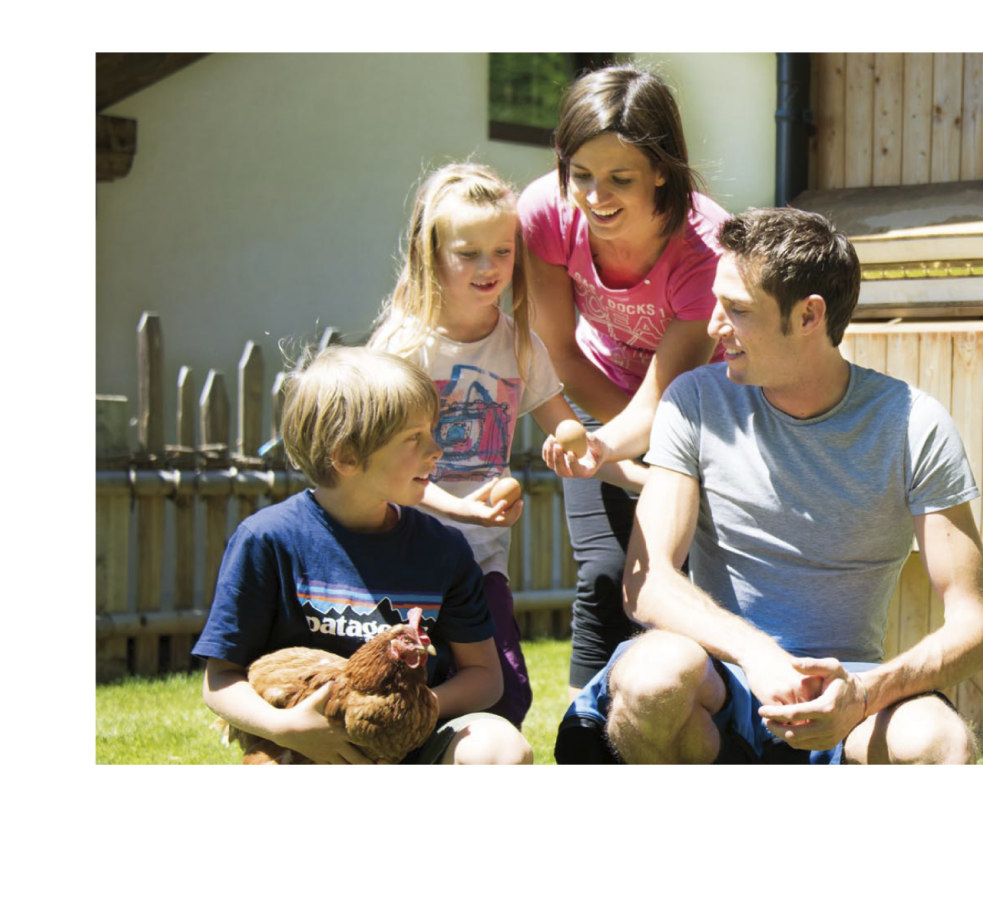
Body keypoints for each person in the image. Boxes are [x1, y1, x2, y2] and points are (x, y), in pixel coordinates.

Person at [560, 208, 983, 765]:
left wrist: (865, 693)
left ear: (810, 315)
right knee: (653, 676)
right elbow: (647, 585)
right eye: (717, 302)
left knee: (939, 741)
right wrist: (757, 654)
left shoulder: (913, 424)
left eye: (738, 310)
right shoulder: (694, 401)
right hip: (722, 681)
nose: (715, 326)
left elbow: (978, 626)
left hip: (846, 693)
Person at [369, 162, 637, 726]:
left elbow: (574, 435)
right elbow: (384, 474)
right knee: (398, 697)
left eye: (502, 251)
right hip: (402, 556)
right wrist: (458, 508)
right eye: (468, 253)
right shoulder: (404, 349)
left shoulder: (519, 346)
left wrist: (638, 476)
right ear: (430, 255)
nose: (489, 267)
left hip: (481, 562)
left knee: (504, 696)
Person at [195, 347, 532, 764]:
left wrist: (403, 714)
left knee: (499, 749)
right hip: (309, 745)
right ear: (347, 456)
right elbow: (220, 679)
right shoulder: (268, 540)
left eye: (432, 430)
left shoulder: (442, 548)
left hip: (415, 741)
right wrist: (286, 728)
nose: (436, 449)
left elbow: (485, 679)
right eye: (414, 438)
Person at [518, 65, 729, 693]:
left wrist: (622, 451)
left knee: (676, 579)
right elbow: (556, 348)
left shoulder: (703, 249)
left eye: (620, 179)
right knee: (608, 573)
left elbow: (667, 395)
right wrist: (608, 449)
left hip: (696, 415)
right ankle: (585, 740)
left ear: (662, 169)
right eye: (580, 174)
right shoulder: (545, 215)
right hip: (596, 392)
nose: (593, 196)